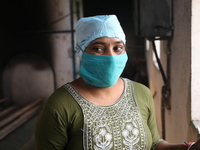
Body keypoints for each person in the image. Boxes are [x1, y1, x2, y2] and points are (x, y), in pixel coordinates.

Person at [35, 15, 200, 150]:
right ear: (81, 51)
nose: (111, 57)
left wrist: (188, 148)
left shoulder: (141, 93)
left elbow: (154, 144)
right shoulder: (59, 105)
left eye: (117, 48)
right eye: (98, 48)